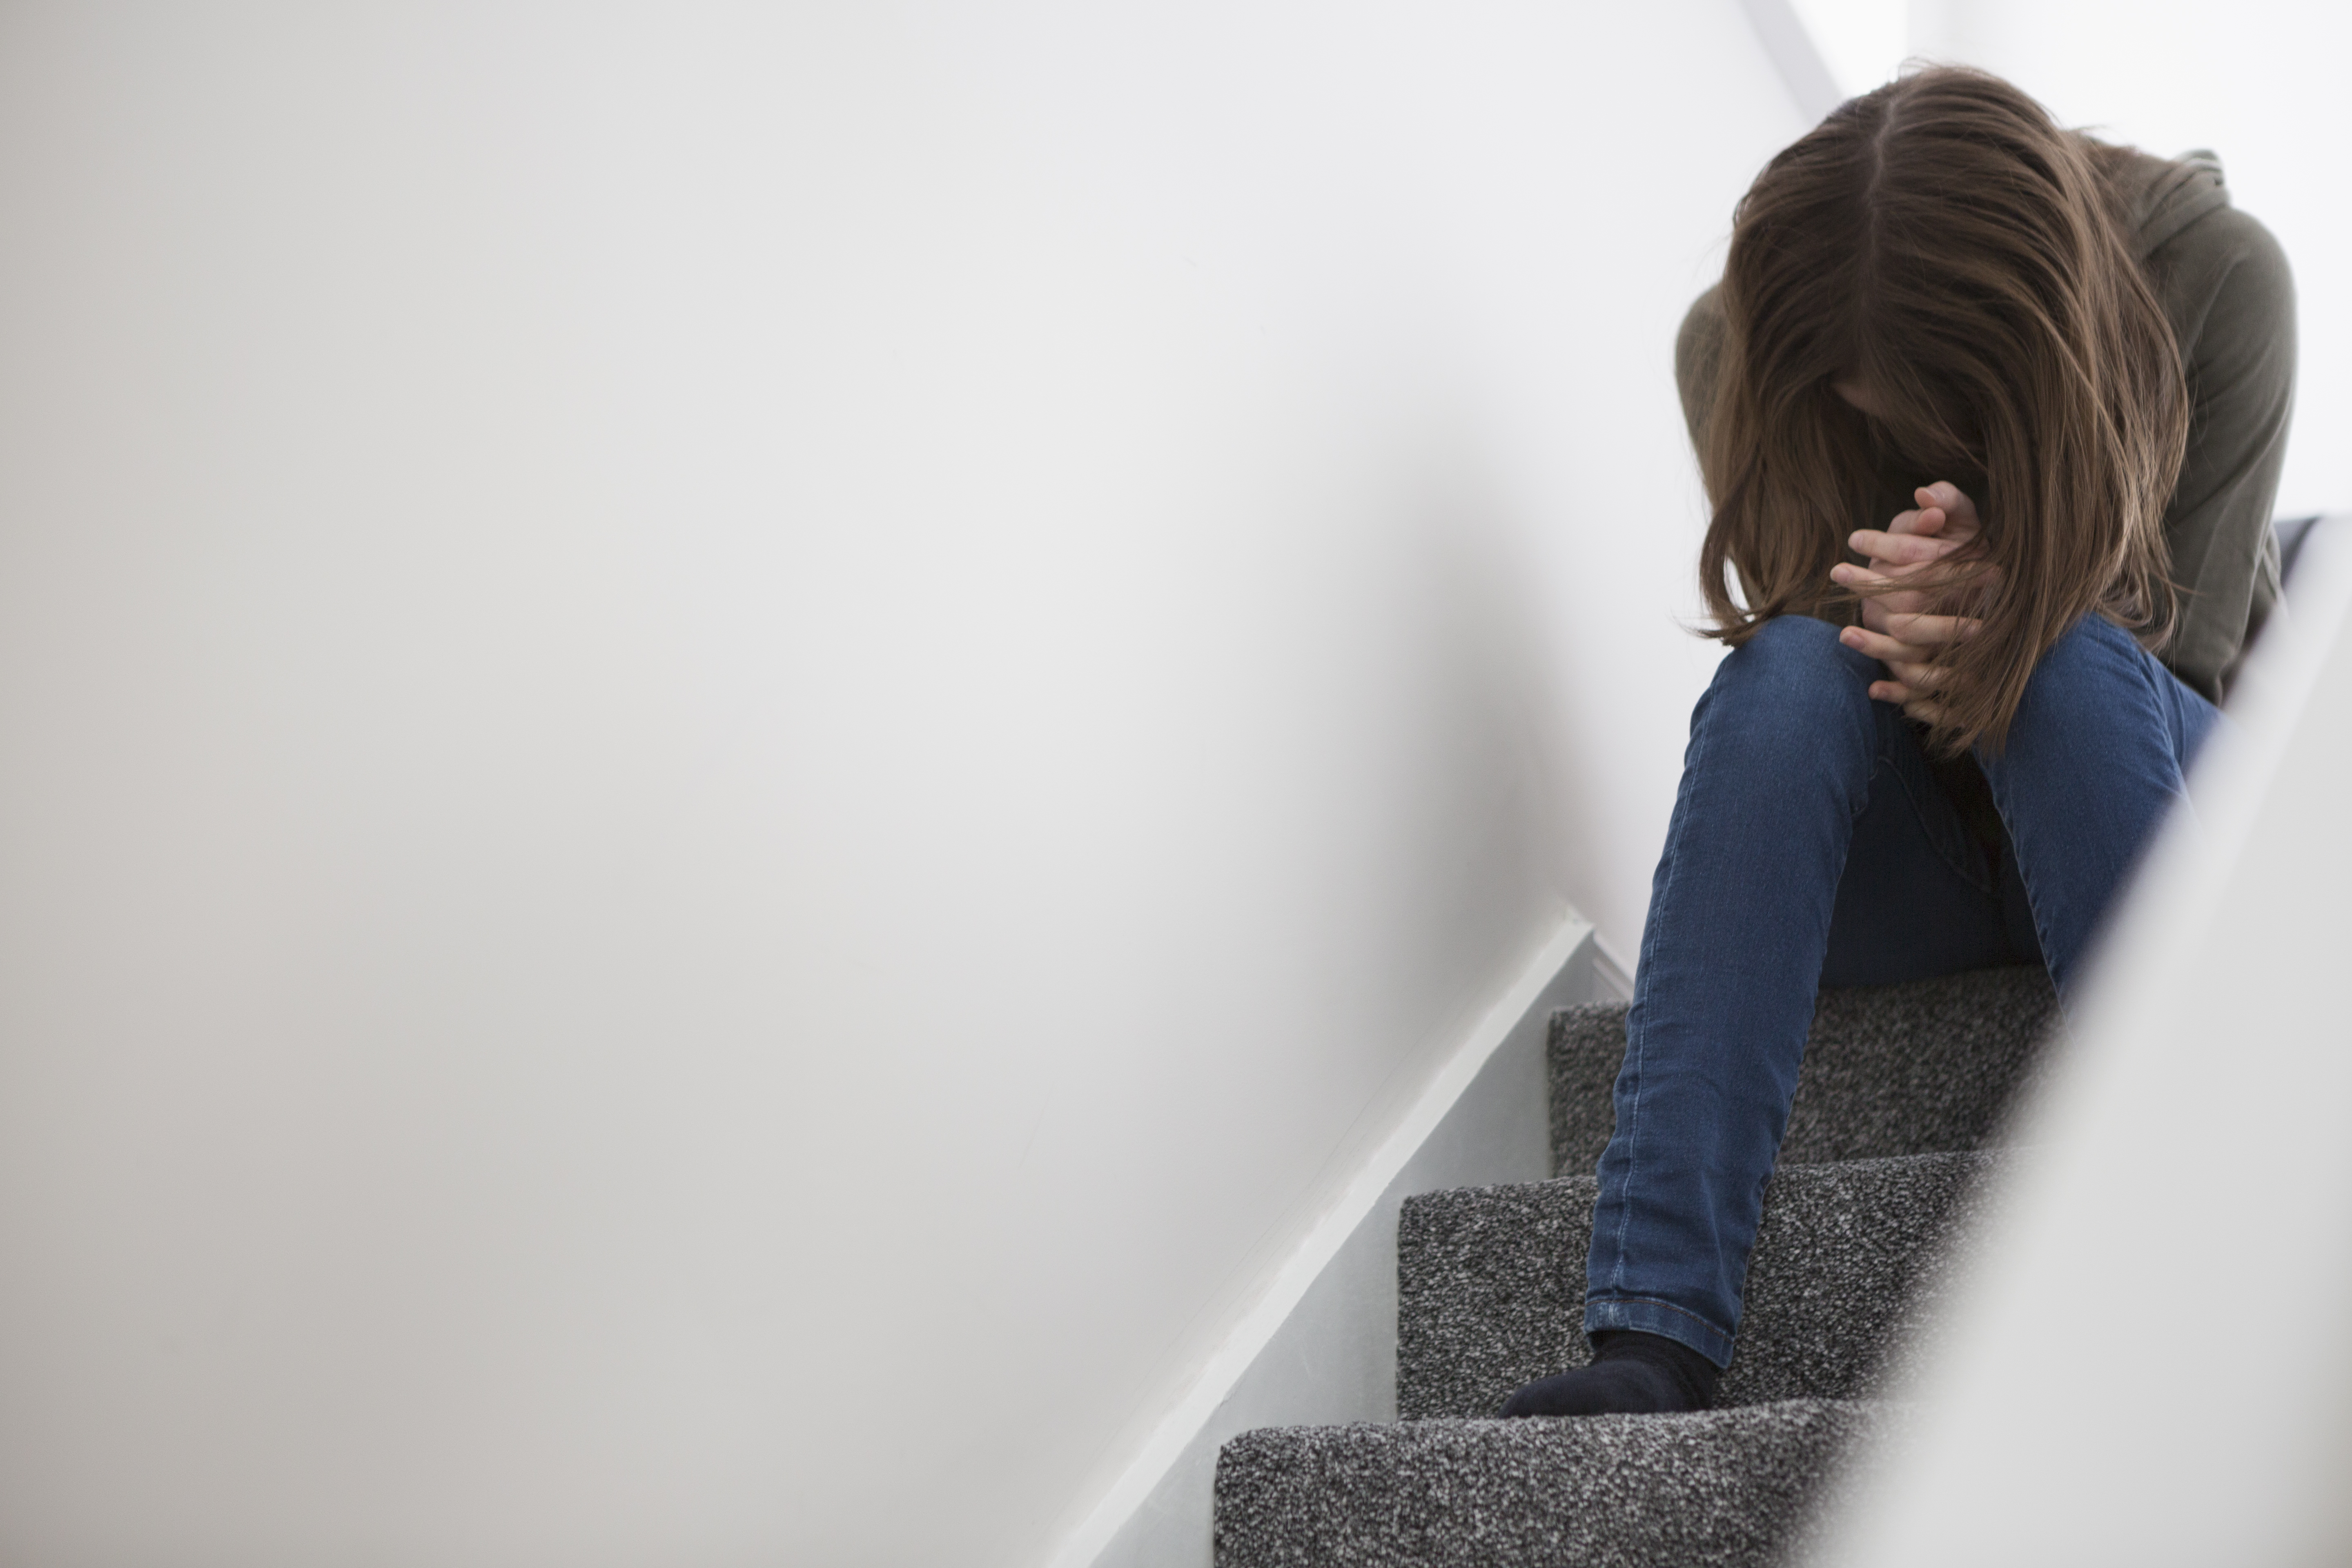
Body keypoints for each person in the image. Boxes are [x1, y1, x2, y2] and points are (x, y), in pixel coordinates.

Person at [1501, 65, 2296, 1417]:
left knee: (2065, 661)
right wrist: (1895, 615)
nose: (1906, 438)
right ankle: (1652, 1332)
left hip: (2136, 802)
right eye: (1875, 415)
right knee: (1791, 668)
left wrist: (2020, 600)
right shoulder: (1744, 346)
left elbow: (2185, 666)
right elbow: (1821, 709)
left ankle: (2206, 1252)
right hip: (1918, 854)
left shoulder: (2217, 281)